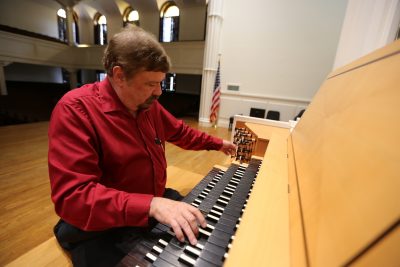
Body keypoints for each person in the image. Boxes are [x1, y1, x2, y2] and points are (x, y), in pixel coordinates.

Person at [48, 25, 236, 267]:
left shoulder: (149, 104)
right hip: (103, 226)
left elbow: (180, 132)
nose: (159, 92)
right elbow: (74, 198)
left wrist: (219, 143)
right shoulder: (75, 110)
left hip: (149, 204)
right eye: (150, 84)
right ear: (118, 75)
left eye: (161, 83)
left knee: (210, 230)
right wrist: (149, 205)